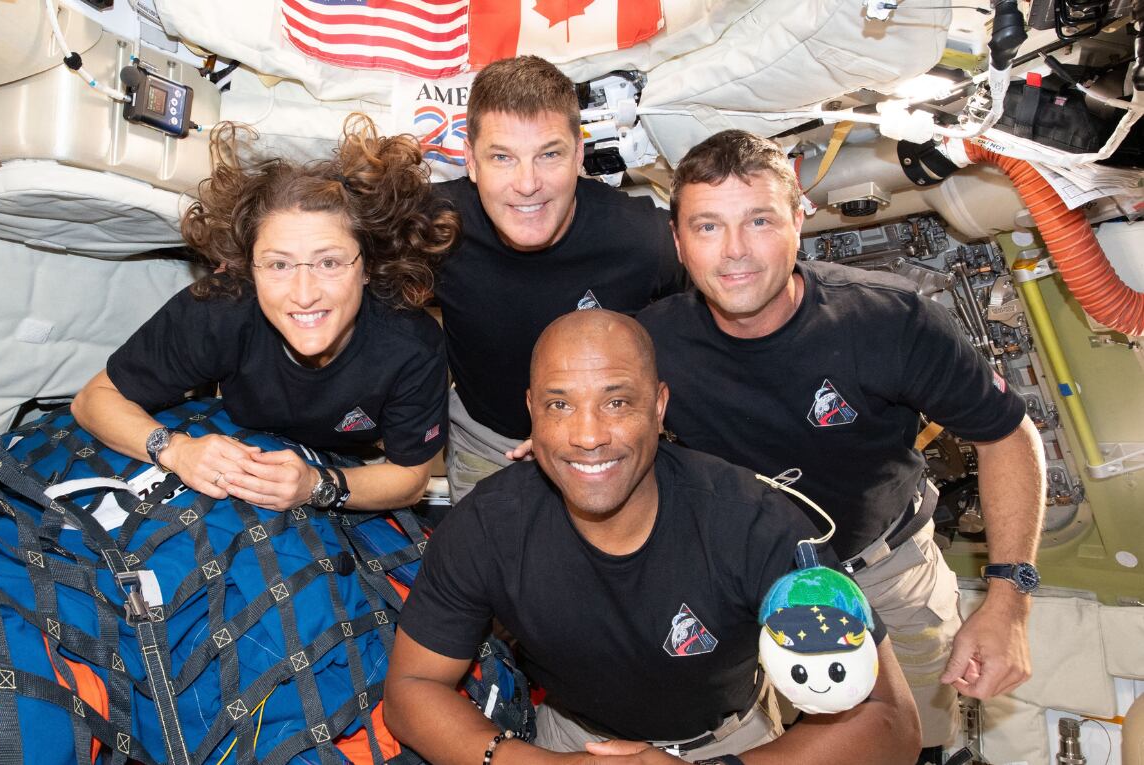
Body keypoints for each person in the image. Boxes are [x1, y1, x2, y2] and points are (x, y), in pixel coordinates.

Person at [636, 129, 1047, 762]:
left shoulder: (889, 321)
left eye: (760, 220)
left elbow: (1006, 433)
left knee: (917, 740)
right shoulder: (648, 344)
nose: (735, 251)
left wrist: (1009, 601)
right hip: (750, 582)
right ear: (678, 241)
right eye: (708, 226)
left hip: (888, 570)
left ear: (799, 221)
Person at [384, 309, 920, 765]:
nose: (587, 436)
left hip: (733, 745)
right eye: (560, 405)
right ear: (532, 412)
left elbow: (890, 719)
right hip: (569, 741)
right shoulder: (488, 525)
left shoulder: (754, 525)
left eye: (616, 402)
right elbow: (412, 690)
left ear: (659, 407)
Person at [72, 116, 459, 512]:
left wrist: (317, 485)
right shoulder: (220, 309)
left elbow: (410, 478)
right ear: (249, 270)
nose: (304, 295)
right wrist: (175, 450)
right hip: (233, 443)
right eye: (278, 265)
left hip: (347, 466)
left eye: (329, 263)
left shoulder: (411, 345)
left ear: (368, 267)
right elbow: (93, 400)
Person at [431, 55, 684, 504]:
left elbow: (712, 324)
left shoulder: (641, 239)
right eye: (502, 157)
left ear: (579, 155)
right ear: (470, 161)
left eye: (549, 154)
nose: (527, 183)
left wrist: (647, 419)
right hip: (489, 446)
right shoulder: (433, 227)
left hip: (606, 445)